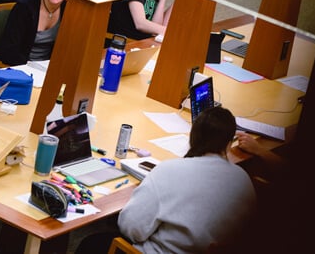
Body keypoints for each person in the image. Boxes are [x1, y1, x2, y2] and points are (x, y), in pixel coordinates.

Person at [75, 106, 256, 254]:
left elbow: (131, 228)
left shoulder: (170, 171)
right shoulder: (244, 180)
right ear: (228, 143)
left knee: (91, 243)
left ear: (192, 138)